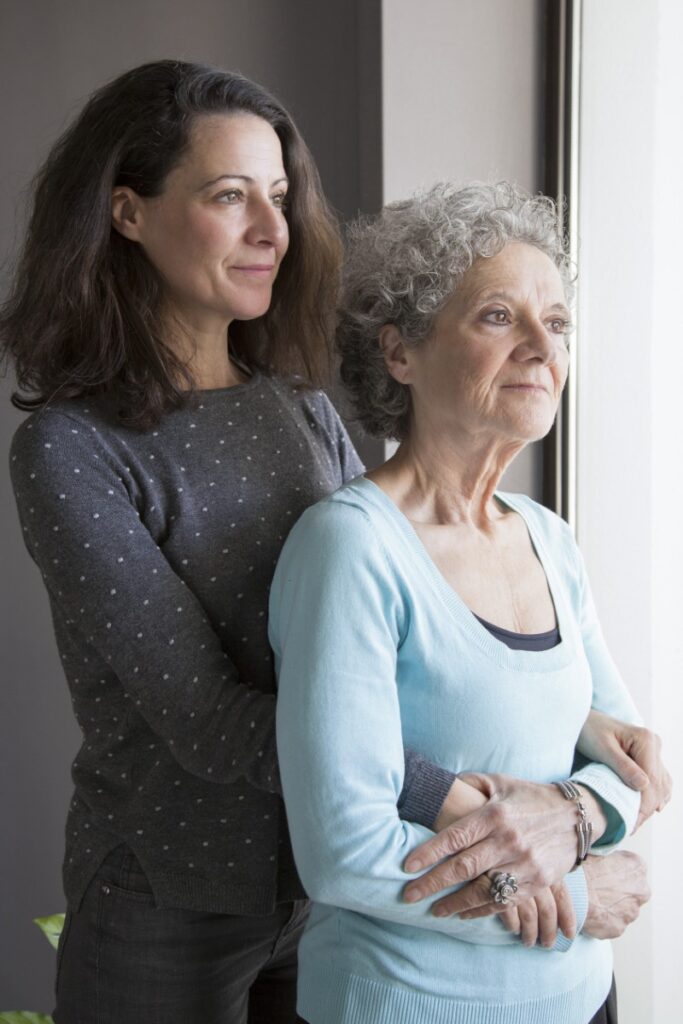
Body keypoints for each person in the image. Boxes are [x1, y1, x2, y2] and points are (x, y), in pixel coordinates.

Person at [270, 182, 670, 1024]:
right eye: (498, 316)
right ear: (399, 353)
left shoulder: (547, 537)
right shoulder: (349, 546)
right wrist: (567, 888)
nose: (540, 346)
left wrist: (568, 813)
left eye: (555, 323)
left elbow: (637, 771)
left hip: (580, 999)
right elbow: (345, 853)